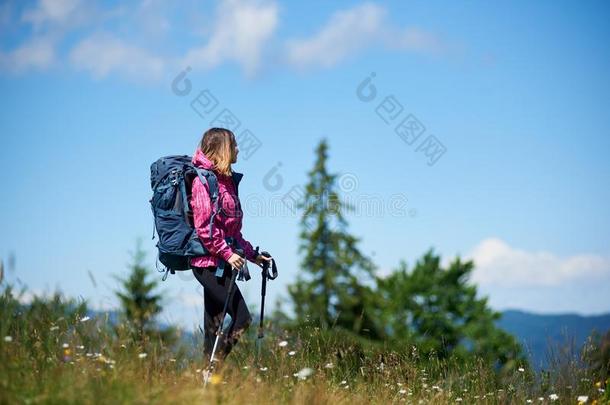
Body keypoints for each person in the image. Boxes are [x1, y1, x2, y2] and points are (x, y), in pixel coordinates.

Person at [190, 127, 271, 364]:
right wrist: (227, 254)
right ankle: (215, 366)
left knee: (213, 328)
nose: (238, 149)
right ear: (223, 149)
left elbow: (232, 233)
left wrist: (253, 256)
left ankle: (206, 380)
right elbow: (205, 228)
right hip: (206, 264)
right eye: (234, 145)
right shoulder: (202, 181)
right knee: (243, 318)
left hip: (221, 262)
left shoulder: (227, 182)